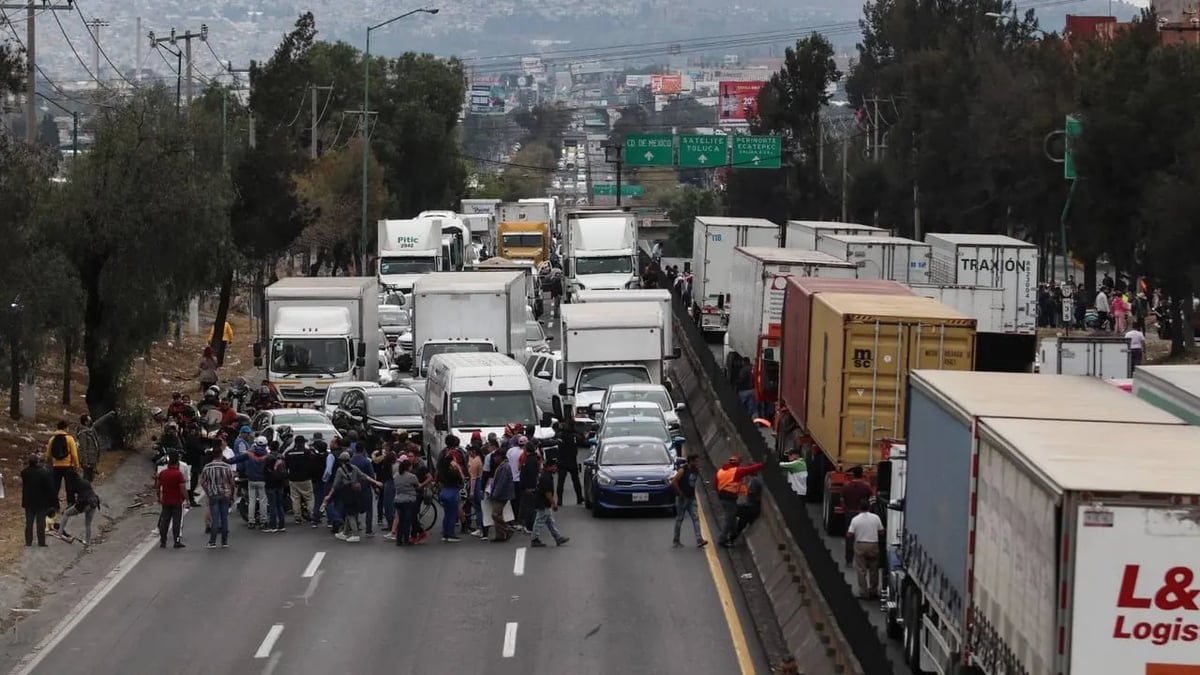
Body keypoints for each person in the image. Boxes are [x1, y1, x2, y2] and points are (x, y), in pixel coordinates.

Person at [322, 452, 381, 543]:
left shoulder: (340, 470)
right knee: (350, 512)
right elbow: (364, 476)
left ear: (341, 461)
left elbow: (335, 485)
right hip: (355, 492)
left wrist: (329, 495)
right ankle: (345, 533)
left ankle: (355, 534)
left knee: (350, 514)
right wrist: (376, 482)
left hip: (346, 492)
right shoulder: (354, 468)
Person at [715, 454, 764, 547]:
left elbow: (751, 492)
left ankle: (728, 537)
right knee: (734, 520)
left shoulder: (722, 471)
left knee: (734, 518)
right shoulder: (736, 473)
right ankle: (727, 538)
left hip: (745, 505)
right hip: (736, 501)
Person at [846, 504, 885, 599]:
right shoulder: (876, 518)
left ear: (859, 508)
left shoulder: (855, 519)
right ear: (869, 508)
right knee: (874, 569)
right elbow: (881, 531)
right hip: (873, 545)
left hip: (860, 545)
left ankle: (864, 592)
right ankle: (873, 590)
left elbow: (850, 534)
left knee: (861, 569)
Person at [200, 448, 235, 548]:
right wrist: (232, 494)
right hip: (225, 494)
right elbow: (232, 482)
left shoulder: (207, 467)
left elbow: (202, 482)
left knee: (215, 518)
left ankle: (212, 541)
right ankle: (224, 541)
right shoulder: (227, 467)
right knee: (224, 518)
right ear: (221, 455)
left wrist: (208, 492)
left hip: (213, 494)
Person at [670, 454, 708, 548]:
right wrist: (680, 493)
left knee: (695, 518)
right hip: (682, 499)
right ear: (690, 461)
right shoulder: (683, 470)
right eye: (695, 461)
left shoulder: (696, 470)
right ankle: (676, 541)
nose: (697, 463)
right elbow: (674, 481)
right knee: (680, 519)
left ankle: (699, 539)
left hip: (691, 498)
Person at [529, 458, 568, 548]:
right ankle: (534, 539)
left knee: (550, 522)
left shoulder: (545, 475)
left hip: (543, 502)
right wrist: (554, 503)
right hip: (543, 503)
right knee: (539, 521)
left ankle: (558, 537)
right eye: (554, 467)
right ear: (549, 467)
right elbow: (548, 493)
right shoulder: (546, 478)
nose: (556, 468)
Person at [45, 421, 81, 511]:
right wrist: (76, 465)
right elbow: (74, 454)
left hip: (56, 466)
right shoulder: (69, 439)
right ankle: (70, 504)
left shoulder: (52, 439)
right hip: (68, 466)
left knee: (55, 486)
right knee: (70, 486)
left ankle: (54, 506)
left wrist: (50, 462)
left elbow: (48, 454)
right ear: (65, 428)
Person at [21, 454, 55, 547]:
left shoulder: (24, 472)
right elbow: (49, 487)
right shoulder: (44, 473)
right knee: (41, 523)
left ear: (29, 462)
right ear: (37, 462)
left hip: (28, 502)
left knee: (29, 523)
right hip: (41, 502)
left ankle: (28, 542)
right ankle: (41, 542)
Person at [437, 435, 466, 543]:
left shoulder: (442, 460)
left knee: (447, 513)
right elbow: (460, 474)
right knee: (452, 513)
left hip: (444, 489)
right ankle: (450, 534)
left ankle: (445, 533)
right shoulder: (457, 456)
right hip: (452, 490)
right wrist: (461, 476)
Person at [60, 473, 101, 547]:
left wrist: (69, 508)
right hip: (94, 502)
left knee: (66, 513)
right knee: (88, 524)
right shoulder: (85, 481)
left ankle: (59, 533)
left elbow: (72, 500)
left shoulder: (73, 485)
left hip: (83, 503)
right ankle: (88, 542)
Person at [157, 453, 187, 549]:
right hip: (177, 500)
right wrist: (187, 499)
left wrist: (159, 497)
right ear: (177, 463)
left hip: (166, 500)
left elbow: (157, 486)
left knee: (164, 521)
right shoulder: (178, 474)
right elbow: (182, 488)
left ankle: (163, 541)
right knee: (176, 521)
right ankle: (176, 541)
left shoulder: (163, 473)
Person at [487, 444, 517, 543]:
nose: (495, 458)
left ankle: (506, 529)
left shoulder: (504, 467)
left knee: (495, 514)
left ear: (500, 457)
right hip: (501, 494)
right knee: (498, 514)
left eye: (496, 456)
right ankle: (500, 535)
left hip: (501, 495)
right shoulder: (502, 466)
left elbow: (501, 483)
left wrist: (495, 494)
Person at [284, 436, 316, 523]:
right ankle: (312, 514)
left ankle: (297, 517)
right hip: (305, 478)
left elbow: (286, 466)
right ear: (302, 443)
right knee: (309, 498)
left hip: (293, 479)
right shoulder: (307, 452)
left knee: (295, 498)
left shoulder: (289, 453)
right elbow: (312, 463)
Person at [349, 443, 377, 537]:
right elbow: (371, 475)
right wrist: (375, 487)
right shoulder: (366, 461)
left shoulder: (351, 461)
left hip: (353, 487)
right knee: (369, 509)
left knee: (355, 508)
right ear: (364, 449)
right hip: (365, 487)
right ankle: (368, 530)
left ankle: (356, 527)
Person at [555, 419, 585, 505]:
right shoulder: (574, 436)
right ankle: (579, 498)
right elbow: (582, 441)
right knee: (576, 481)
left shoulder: (560, 435)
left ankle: (559, 500)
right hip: (572, 461)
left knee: (561, 482)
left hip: (562, 461)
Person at [391, 459, 420, 545]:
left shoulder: (396, 476)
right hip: (409, 500)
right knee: (407, 521)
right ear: (408, 467)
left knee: (400, 520)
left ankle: (399, 540)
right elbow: (418, 486)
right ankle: (406, 539)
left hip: (398, 500)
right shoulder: (412, 476)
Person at [728, 476, 764, 545]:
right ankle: (731, 538)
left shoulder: (756, 481)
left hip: (751, 508)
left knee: (734, 511)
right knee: (741, 523)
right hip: (749, 507)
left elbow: (752, 493)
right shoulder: (753, 480)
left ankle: (731, 537)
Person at [262, 448, 289, 533]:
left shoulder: (268, 460)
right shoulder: (281, 460)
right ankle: (282, 525)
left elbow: (262, 471)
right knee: (279, 505)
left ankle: (273, 526)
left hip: (270, 485)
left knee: (272, 506)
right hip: (280, 485)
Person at [74, 414, 101, 484]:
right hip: (88, 460)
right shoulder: (82, 433)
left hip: (92, 460)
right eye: (89, 420)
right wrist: (85, 462)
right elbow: (83, 448)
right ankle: (84, 493)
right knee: (86, 479)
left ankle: (87, 492)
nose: (91, 421)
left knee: (90, 479)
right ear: (86, 422)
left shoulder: (90, 431)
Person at [467, 445, 485, 538]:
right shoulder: (479, 459)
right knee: (479, 507)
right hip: (479, 482)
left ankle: (480, 528)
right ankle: (481, 527)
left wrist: (471, 491)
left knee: (478, 508)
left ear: (473, 452)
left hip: (476, 483)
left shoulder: (475, 462)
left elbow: (473, 478)